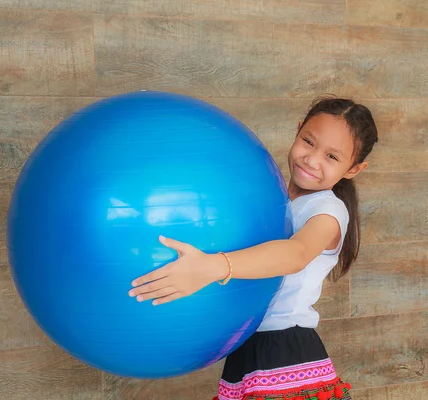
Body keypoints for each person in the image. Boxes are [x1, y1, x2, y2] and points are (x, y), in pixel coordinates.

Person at [128, 96, 379, 400]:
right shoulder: (273, 199)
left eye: (332, 157)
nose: (312, 160)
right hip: (248, 346)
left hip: (284, 349)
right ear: (298, 130)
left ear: (354, 169)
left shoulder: (328, 210)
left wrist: (213, 266)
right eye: (309, 142)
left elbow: (295, 254)